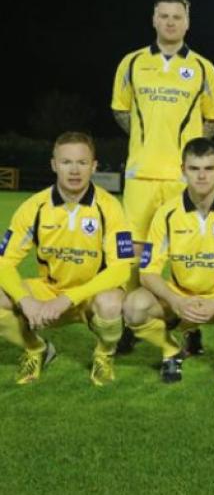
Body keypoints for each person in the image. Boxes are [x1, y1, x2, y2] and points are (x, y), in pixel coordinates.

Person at [111, 0, 214, 355]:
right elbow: (121, 112)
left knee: (184, 253)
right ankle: (130, 320)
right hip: (141, 177)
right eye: (164, 16)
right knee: (135, 253)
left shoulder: (204, 69)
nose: (171, 22)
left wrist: (185, 153)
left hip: (181, 179)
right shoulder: (131, 63)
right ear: (154, 20)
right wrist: (148, 142)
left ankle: (190, 325)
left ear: (187, 22)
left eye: (178, 16)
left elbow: (212, 119)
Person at [122, 139, 214, 384]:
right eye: (194, 169)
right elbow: (148, 272)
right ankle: (171, 351)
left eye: (209, 169)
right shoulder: (167, 213)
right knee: (133, 306)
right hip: (181, 298)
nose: (202, 176)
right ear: (183, 170)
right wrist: (176, 300)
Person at [0, 132, 134, 385]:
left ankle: (104, 355)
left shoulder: (109, 207)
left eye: (82, 163)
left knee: (111, 302)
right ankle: (36, 349)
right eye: (66, 162)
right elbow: (4, 262)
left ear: (94, 166)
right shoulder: (34, 207)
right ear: (54, 165)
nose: (74, 170)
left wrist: (68, 298)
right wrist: (25, 300)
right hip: (50, 291)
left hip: (90, 296)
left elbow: (121, 270)